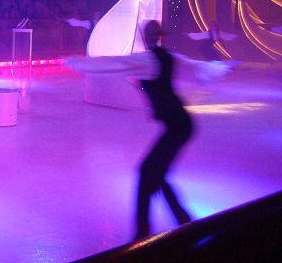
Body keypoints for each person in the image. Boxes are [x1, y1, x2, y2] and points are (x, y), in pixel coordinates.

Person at [67, 20, 231, 239]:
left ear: (146, 36)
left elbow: (114, 64)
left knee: (148, 172)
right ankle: (181, 219)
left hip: (178, 126)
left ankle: (143, 231)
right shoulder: (167, 56)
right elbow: (194, 66)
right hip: (181, 124)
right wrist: (218, 68)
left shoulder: (149, 60)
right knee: (156, 174)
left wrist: (77, 63)